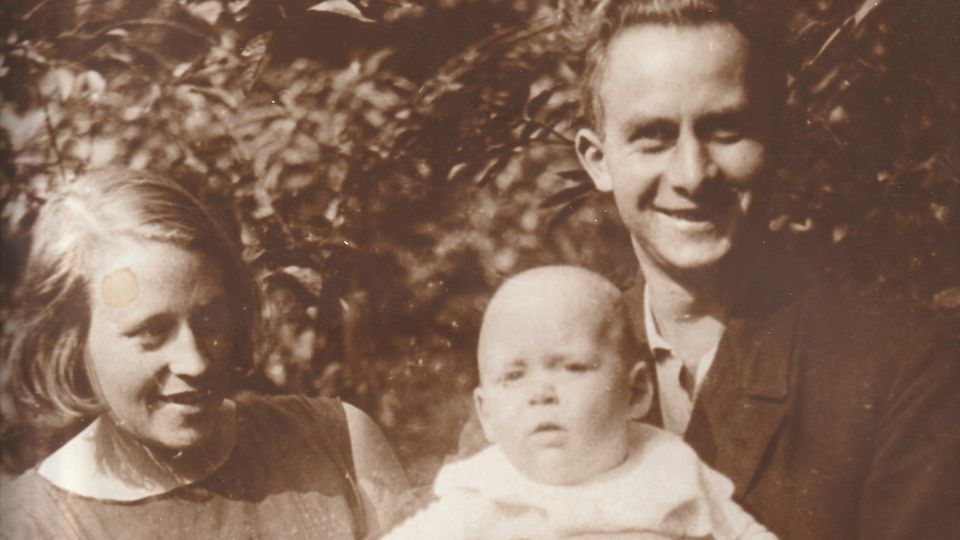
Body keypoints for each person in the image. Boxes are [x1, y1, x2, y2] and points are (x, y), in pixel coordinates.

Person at [567, 1, 960, 538]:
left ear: (780, 138)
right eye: (653, 136)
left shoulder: (906, 370)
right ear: (597, 159)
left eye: (725, 130)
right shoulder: (543, 355)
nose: (692, 174)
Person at [0, 168, 409, 539]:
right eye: (153, 332)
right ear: (70, 343)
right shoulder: (32, 527)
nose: (194, 362)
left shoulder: (337, 444)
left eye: (210, 320)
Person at [388, 266, 775, 539]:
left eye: (572, 367)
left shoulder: (669, 469)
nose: (540, 394)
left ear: (637, 391)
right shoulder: (485, 495)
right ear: (486, 413)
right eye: (513, 376)